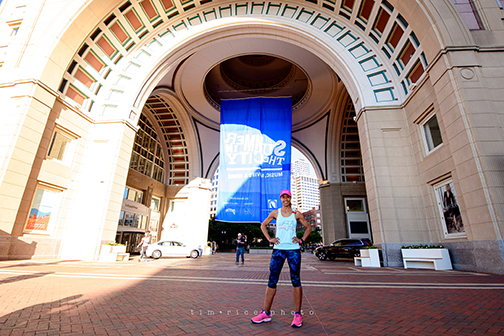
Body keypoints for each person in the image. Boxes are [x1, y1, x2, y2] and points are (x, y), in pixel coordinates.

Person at [251, 190, 312, 328]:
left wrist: (301, 240)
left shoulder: (296, 214)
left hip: (293, 250)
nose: (285, 199)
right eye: (283, 197)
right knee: (272, 279)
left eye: (288, 197)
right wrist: (269, 239)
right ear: (281, 198)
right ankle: (265, 313)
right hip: (278, 250)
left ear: (290, 198)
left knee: (295, 280)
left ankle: (297, 315)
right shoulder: (275, 213)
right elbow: (263, 225)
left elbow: (308, 228)